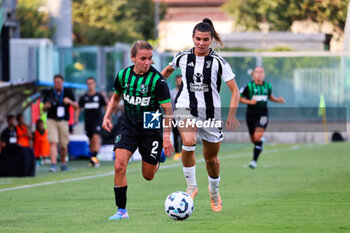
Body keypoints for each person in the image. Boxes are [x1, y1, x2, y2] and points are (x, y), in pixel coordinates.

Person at [161, 18, 240, 212]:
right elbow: (167, 72)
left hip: (211, 114)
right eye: (198, 39)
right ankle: (191, 186)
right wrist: (155, 86)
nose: (201, 43)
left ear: (211, 39)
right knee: (188, 142)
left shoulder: (219, 62)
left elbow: (235, 91)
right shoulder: (182, 57)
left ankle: (213, 191)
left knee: (211, 159)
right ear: (193, 38)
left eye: (206, 39)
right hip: (185, 107)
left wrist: (231, 116)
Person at [102, 40, 174, 220]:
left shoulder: (158, 81)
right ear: (133, 58)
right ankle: (121, 210)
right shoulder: (123, 76)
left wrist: (166, 137)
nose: (147, 62)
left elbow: (168, 110)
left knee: (148, 176)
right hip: (129, 124)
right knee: (119, 165)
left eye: (150, 58)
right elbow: (115, 97)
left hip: (151, 123)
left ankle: (157, 160)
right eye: (143, 58)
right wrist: (107, 116)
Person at [239, 66, 285, 169]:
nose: (259, 74)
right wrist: (250, 101)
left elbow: (269, 96)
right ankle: (260, 143)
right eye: (257, 72)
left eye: (261, 72)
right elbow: (239, 98)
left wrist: (278, 100)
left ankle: (254, 161)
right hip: (250, 116)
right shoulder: (248, 86)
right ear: (253, 74)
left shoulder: (267, 86)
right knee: (254, 140)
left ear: (264, 75)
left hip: (263, 115)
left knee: (257, 137)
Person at [42, 74, 78, 172]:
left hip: (63, 120)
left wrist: (69, 102)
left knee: (63, 144)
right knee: (53, 142)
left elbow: (76, 106)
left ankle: (63, 163)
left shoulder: (68, 92)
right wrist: (46, 106)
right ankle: (53, 164)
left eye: (58, 82)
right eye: (55, 82)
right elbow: (43, 109)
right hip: (51, 120)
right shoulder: (49, 92)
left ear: (62, 82)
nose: (56, 84)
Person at [76, 77, 107, 167]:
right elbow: (79, 108)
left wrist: (108, 118)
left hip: (97, 121)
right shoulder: (84, 97)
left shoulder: (99, 96)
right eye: (88, 84)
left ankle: (94, 158)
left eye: (92, 83)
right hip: (88, 122)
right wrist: (76, 118)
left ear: (95, 84)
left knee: (95, 137)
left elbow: (106, 107)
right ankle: (93, 157)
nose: (90, 85)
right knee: (90, 140)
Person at [169, 75, 183, 160]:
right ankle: (177, 153)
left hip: (184, 114)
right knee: (175, 134)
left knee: (183, 134)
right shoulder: (172, 92)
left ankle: (184, 152)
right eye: (178, 81)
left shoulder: (185, 91)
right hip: (174, 115)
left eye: (181, 80)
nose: (179, 82)